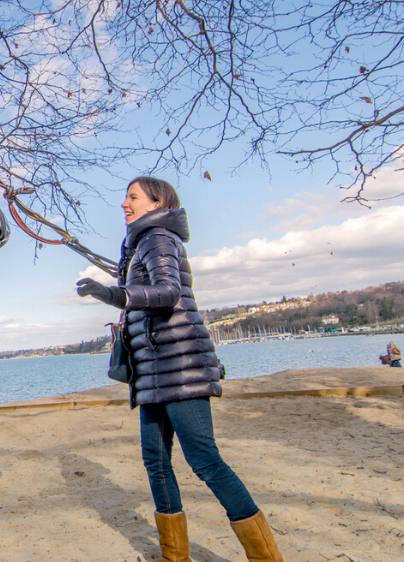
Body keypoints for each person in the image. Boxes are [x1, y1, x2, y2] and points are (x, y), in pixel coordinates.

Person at [76, 176, 284, 562]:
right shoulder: (139, 246)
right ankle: (175, 557)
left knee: (204, 459)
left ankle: (267, 558)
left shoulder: (157, 238)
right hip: (153, 372)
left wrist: (114, 294)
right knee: (155, 463)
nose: (124, 204)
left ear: (157, 204)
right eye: (124, 197)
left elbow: (169, 292)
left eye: (133, 197)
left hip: (181, 368)